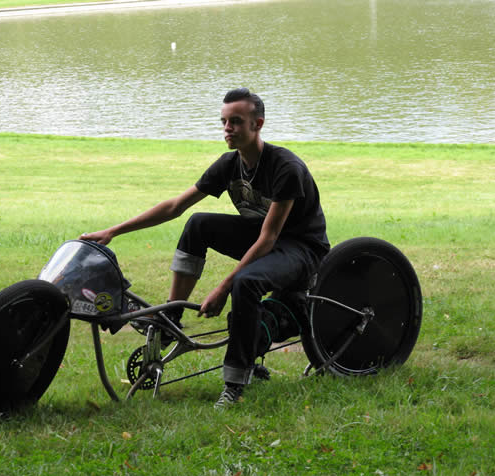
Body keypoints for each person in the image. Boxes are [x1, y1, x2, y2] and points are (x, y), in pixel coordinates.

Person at [80, 88, 329, 408]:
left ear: (258, 124)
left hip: (302, 248)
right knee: (199, 223)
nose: (228, 128)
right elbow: (175, 207)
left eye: (236, 122)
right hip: (264, 236)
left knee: (246, 283)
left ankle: (235, 383)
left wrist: (223, 288)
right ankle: (173, 316)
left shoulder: (285, 168)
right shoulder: (229, 165)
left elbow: (268, 239)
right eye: (224, 122)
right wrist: (114, 231)